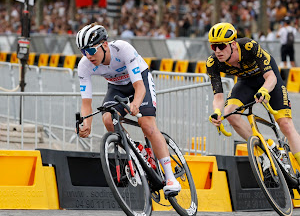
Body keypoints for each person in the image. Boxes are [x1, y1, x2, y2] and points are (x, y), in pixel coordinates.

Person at [75, 23, 181, 196]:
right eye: (83, 52)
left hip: (140, 81)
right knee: (108, 119)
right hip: (117, 88)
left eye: (91, 51)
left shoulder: (123, 49)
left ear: (105, 44)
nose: (88, 56)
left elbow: (139, 87)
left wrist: (136, 104)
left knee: (147, 125)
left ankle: (170, 178)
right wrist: (86, 123)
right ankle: (136, 151)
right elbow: (86, 103)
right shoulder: (84, 65)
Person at [206, 22, 300, 168]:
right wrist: (217, 112)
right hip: (246, 82)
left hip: (268, 78)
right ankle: (266, 149)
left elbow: (271, 78)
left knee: (286, 124)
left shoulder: (249, 47)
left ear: (233, 44)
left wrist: (264, 90)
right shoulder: (213, 63)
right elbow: (218, 96)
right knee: (229, 113)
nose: (217, 51)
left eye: (221, 46)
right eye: (213, 46)